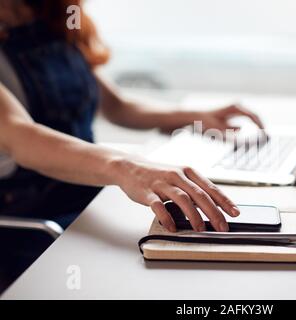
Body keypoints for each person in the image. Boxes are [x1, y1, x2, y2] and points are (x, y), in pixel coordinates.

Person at [0, 0, 264, 231]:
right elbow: (20, 137)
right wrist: (127, 168)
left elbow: (117, 106)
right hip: (38, 221)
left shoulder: (50, 13)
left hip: (90, 198)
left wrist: (195, 116)